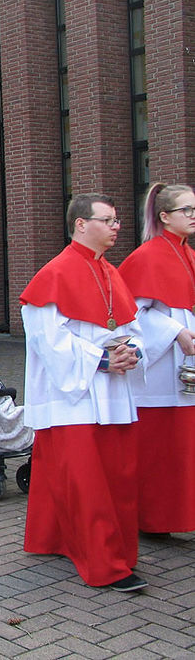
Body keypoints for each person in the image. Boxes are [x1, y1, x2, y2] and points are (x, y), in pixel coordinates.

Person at [21, 193, 146, 592]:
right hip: (73, 397)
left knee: (116, 480)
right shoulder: (54, 274)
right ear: (80, 224)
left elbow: (132, 324)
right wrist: (102, 360)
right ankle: (107, 565)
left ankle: (59, 539)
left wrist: (133, 351)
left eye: (117, 220)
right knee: (88, 485)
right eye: (107, 220)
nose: (116, 227)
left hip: (112, 394)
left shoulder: (111, 272)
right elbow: (47, 339)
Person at [118, 182, 195, 535]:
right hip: (163, 369)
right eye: (187, 211)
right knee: (161, 449)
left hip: (185, 365)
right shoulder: (146, 257)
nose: (193, 216)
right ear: (164, 216)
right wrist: (175, 332)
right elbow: (132, 315)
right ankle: (153, 520)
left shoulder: (188, 253)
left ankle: (181, 516)